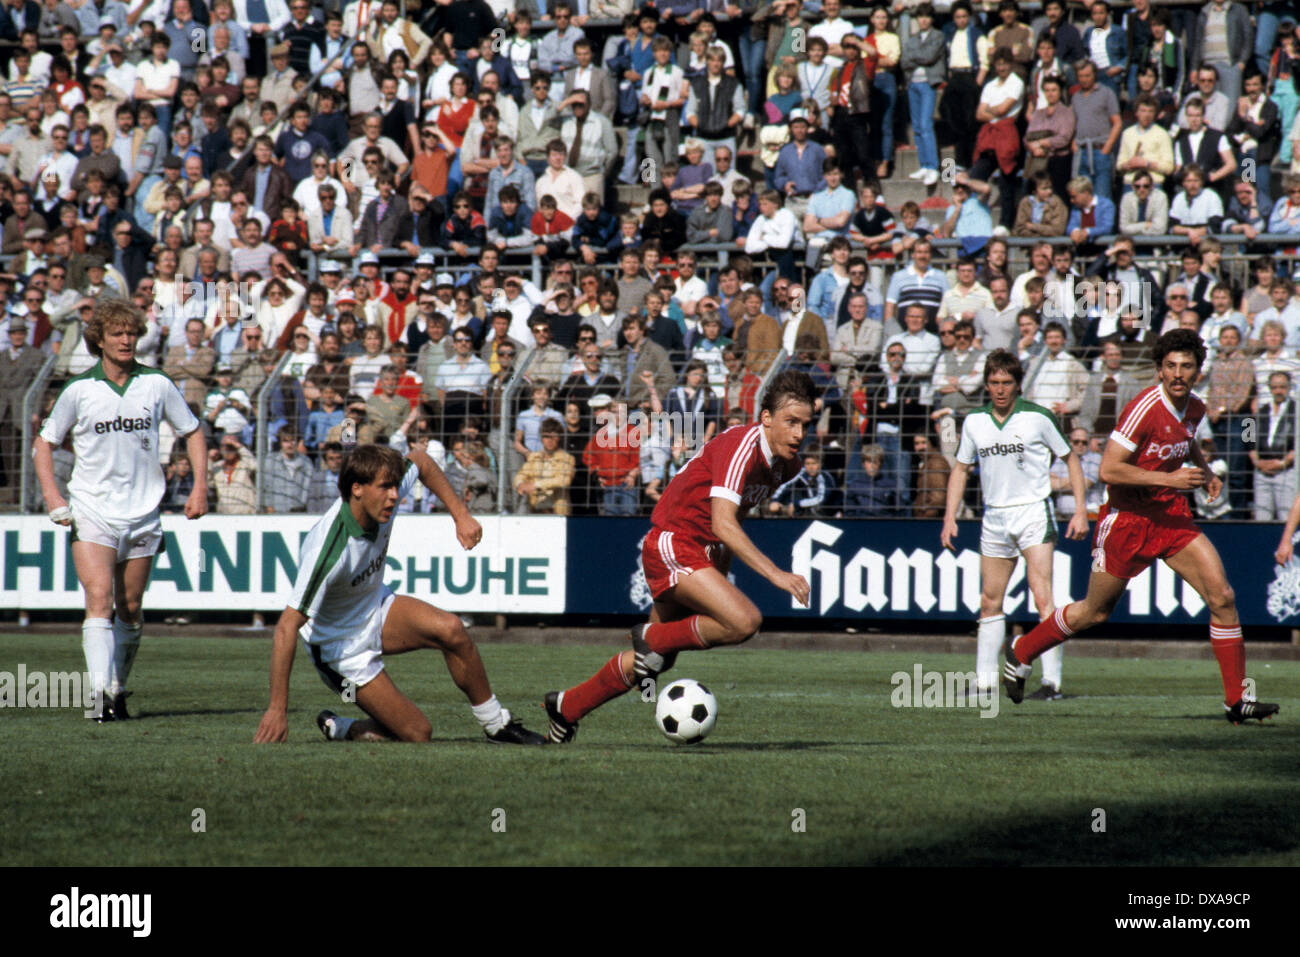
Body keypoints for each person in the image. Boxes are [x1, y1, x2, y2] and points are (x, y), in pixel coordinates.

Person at [1003, 330, 1281, 724]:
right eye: (1171, 366)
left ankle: (1237, 701)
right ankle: (1022, 650)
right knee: (1095, 613)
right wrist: (1171, 480)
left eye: (1186, 366)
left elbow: (1186, 439)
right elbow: (1108, 468)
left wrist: (1203, 470)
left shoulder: (1195, 408)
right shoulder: (1144, 407)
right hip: (1127, 521)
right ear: (1159, 369)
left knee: (1222, 596)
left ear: (1198, 370)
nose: (1178, 373)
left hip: (1170, 518)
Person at [543, 371, 816, 744]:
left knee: (654, 660)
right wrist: (776, 575)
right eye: (791, 422)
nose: (799, 434)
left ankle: (566, 707)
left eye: (805, 424)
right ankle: (650, 634)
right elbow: (722, 522)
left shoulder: (788, 464)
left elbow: (737, 511)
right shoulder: (742, 445)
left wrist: (720, 565)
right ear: (766, 417)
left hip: (696, 549)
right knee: (744, 621)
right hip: (673, 542)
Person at [253, 443, 545, 745]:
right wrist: (277, 709)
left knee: (453, 630)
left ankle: (497, 725)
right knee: (417, 733)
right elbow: (287, 627)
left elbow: (421, 461)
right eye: (385, 488)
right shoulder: (328, 550)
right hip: (340, 649)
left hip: (375, 608)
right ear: (357, 489)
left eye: (395, 486)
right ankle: (343, 727)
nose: (395, 495)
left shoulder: (381, 500)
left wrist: (460, 516)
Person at [32, 298, 209, 721]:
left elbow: (194, 431)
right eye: (117, 333)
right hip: (92, 508)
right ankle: (97, 697)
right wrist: (54, 497)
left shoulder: (157, 384)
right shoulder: (79, 390)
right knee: (99, 597)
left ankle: (117, 688)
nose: (126, 339)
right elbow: (44, 444)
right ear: (100, 340)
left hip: (144, 511)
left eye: (131, 333)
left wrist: (200, 486)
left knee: (130, 607)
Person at [941, 350, 1089, 699]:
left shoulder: (1038, 417)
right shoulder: (975, 421)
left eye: (1006, 382)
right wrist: (949, 517)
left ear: (1017, 384)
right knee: (990, 600)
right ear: (987, 383)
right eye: (994, 382)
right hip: (994, 516)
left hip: (1033, 512)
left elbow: (1071, 458)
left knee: (1043, 597)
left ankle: (1051, 682)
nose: (1000, 389)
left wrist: (1080, 510)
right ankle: (985, 681)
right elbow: (960, 470)